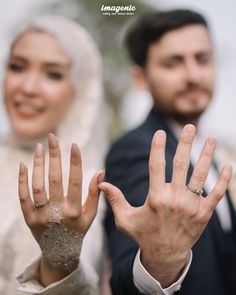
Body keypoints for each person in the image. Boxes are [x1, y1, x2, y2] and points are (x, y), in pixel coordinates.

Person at [104, 9, 236, 295]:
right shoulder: (137, 150)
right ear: (141, 78)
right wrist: (160, 263)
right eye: (172, 63)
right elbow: (126, 276)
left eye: (202, 59)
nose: (193, 75)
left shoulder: (211, 149)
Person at [0, 15, 107, 294]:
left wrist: (59, 254)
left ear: (80, 90)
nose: (28, 88)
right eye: (17, 67)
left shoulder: (85, 182)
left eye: (53, 74)